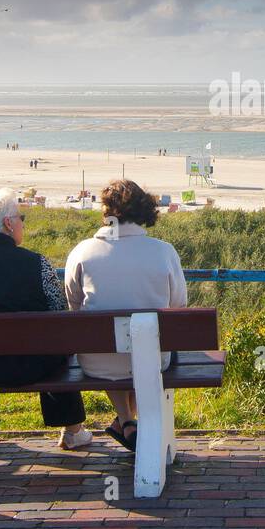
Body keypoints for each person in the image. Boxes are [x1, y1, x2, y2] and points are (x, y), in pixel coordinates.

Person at [0, 188, 91, 453]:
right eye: (20, 217)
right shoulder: (37, 264)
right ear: (8, 224)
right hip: (27, 366)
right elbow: (58, 314)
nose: (22, 222)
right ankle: (72, 430)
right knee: (56, 342)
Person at [65, 179, 185, 453]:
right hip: (154, 359)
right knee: (138, 344)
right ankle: (127, 421)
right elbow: (178, 307)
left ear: (106, 212)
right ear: (143, 209)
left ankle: (127, 421)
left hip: (97, 361)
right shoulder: (164, 252)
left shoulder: (82, 252)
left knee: (118, 346)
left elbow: (73, 308)